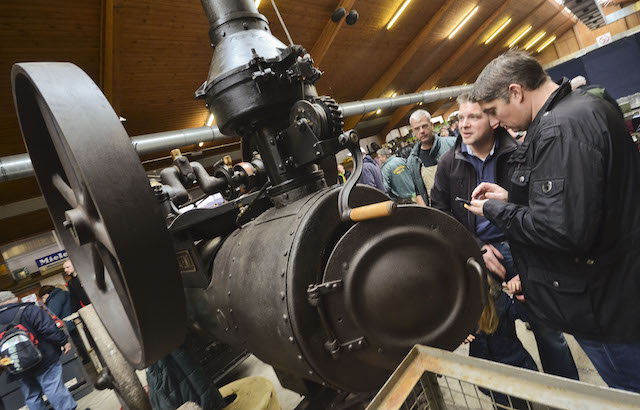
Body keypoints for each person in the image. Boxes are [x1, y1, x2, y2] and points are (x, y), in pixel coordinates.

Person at [467, 49, 640, 393]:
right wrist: (514, 198)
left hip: (603, 304)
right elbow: (583, 199)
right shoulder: (583, 108)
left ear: (516, 92)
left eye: (493, 111)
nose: (495, 121)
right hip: (618, 287)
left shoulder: (559, 128)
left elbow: (565, 230)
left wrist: (496, 211)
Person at [431, 93, 578, 380]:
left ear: (494, 119)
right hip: (481, 259)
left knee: (548, 329)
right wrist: (476, 248)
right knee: (494, 332)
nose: (464, 124)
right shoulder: (449, 163)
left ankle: (569, 395)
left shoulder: (520, 153)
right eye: (460, 118)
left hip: (524, 251)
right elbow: (441, 214)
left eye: (473, 116)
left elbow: (539, 205)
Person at [0, 291, 76, 409]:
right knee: (53, 387)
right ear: (13, 299)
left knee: (31, 395)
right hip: (43, 358)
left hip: (16, 364)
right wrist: (64, 342)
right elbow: (48, 329)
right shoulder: (29, 309)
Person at [406, 110, 455, 206]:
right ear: (413, 132)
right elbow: (418, 192)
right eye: (417, 129)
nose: (422, 131)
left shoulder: (452, 144)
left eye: (424, 126)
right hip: (437, 210)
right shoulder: (413, 161)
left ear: (431, 125)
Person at [39, 286, 90, 364]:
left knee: (76, 342)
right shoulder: (65, 293)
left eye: (43, 297)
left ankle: (85, 358)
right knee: (81, 340)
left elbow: (53, 314)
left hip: (67, 325)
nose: (43, 299)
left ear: (46, 294)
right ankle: (88, 356)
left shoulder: (54, 299)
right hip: (75, 320)